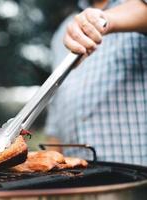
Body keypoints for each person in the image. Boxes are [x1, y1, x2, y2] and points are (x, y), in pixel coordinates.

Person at [45, 0, 147, 165]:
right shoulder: (61, 33)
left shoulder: (134, 7)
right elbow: (55, 121)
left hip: (137, 181)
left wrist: (103, 19)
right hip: (78, 183)